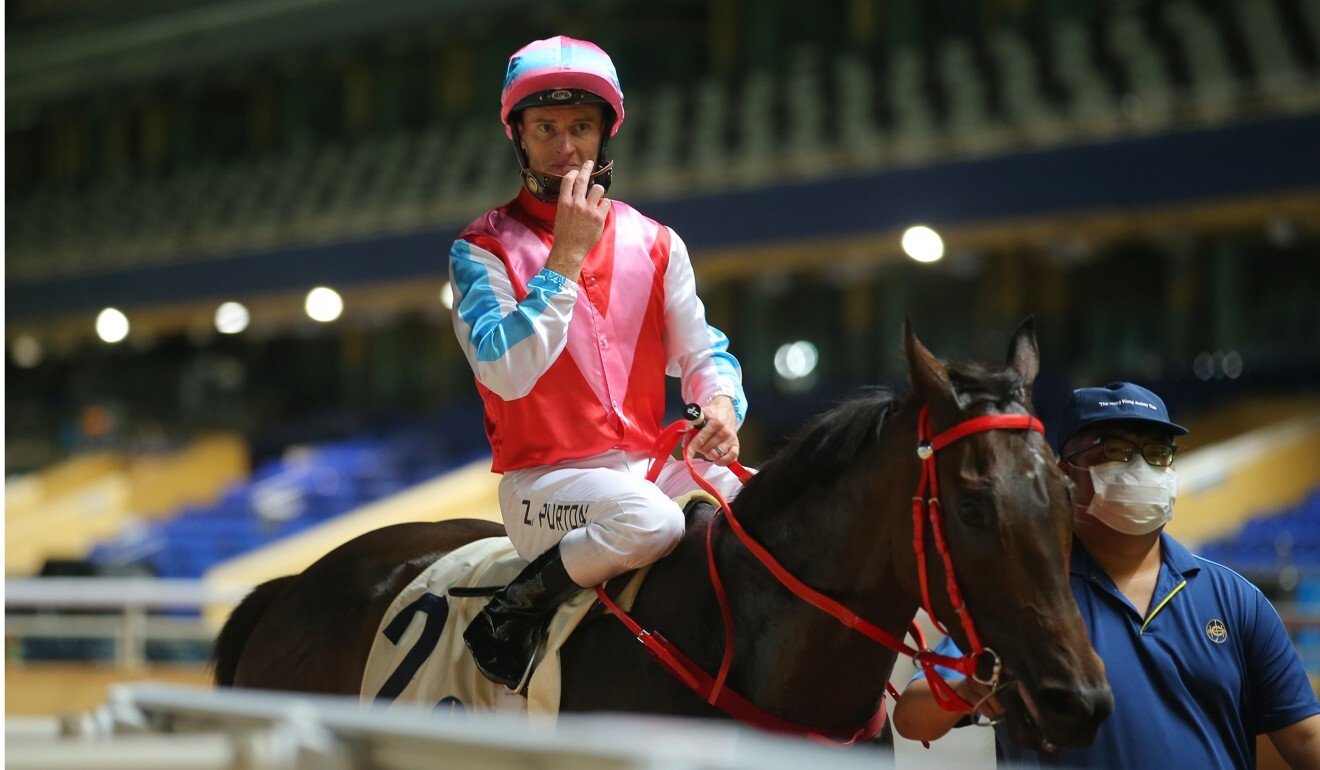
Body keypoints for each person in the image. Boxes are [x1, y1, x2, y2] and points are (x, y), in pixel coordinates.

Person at [448, 36, 747, 691]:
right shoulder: (481, 249)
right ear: (519, 138)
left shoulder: (657, 242)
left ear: (605, 133)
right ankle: (509, 613)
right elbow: (505, 370)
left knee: (763, 506)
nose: (565, 147)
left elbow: (703, 352)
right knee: (653, 521)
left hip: (646, 468)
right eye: (546, 128)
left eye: (581, 127)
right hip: (544, 489)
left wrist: (720, 405)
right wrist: (565, 259)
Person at [893, 382, 1320, 769]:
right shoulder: (1022, 599)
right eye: (1114, 451)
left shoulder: (1235, 599)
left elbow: (1303, 737)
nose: (1141, 468)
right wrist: (975, 687)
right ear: (1064, 477)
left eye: (1157, 453)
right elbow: (913, 717)